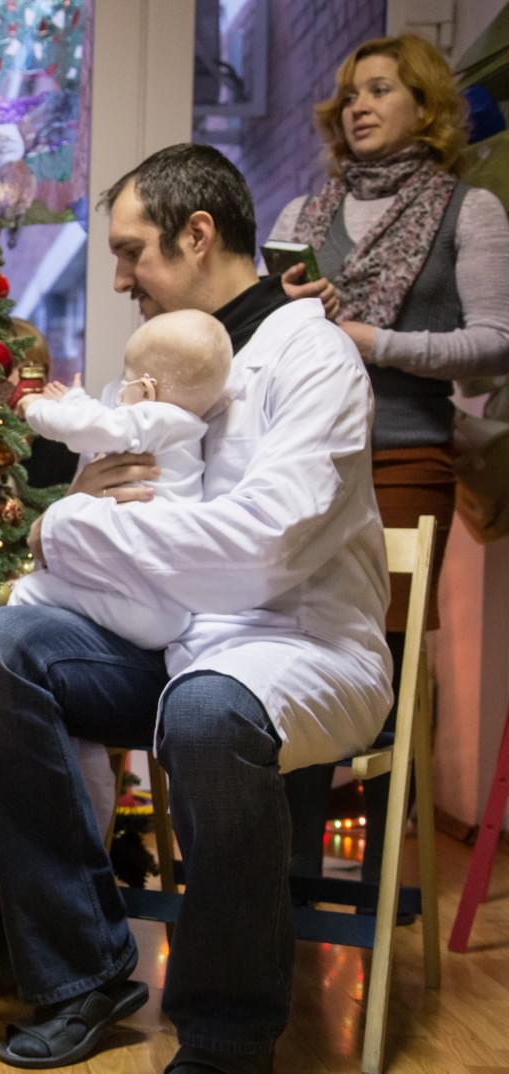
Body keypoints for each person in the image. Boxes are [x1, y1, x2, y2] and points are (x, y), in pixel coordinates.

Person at [0, 143, 390, 1074]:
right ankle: (84, 975)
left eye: (131, 251)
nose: (117, 280)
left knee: (206, 708)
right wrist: (71, 528)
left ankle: (228, 1035)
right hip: (167, 638)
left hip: (302, 646)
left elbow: (265, 553)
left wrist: (71, 533)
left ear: (197, 235)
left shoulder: (315, 358)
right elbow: (83, 511)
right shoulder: (153, 365)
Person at [271, 33, 509, 884]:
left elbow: (495, 345)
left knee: (390, 654)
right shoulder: (302, 217)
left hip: (408, 457)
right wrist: (293, 316)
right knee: (294, 648)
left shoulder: (469, 211)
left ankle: (374, 879)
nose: (359, 106)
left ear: (428, 106)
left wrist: (372, 339)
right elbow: (256, 331)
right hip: (307, 458)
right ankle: (294, 876)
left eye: (381, 89)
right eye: (350, 95)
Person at [11, 309, 233, 836]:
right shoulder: (184, 427)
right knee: (37, 596)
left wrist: (36, 406)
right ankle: (87, 775)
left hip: (145, 605)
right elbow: (108, 420)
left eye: (126, 385)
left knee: (26, 593)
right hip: (156, 604)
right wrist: (84, 400)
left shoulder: (157, 420)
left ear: (148, 389)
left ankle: (82, 794)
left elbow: (98, 426)